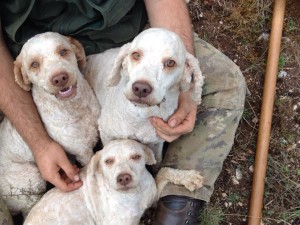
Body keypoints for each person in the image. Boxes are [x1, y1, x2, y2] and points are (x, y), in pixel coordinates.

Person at [0, 0, 246, 224]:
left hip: (129, 42)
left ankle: (176, 207)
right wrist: (39, 143)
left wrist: (185, 86)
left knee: (224, 82)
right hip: (34, 60)